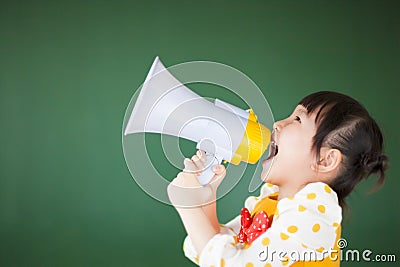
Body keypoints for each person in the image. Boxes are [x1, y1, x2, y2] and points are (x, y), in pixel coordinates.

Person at [167, 91, 388, 266]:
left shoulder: (314, 218)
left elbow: (232, 263)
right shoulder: (270, 203)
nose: (278, 124)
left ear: (325, 160)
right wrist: (205, 203)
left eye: (298, 119)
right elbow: (212, 250)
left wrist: (189, 207)